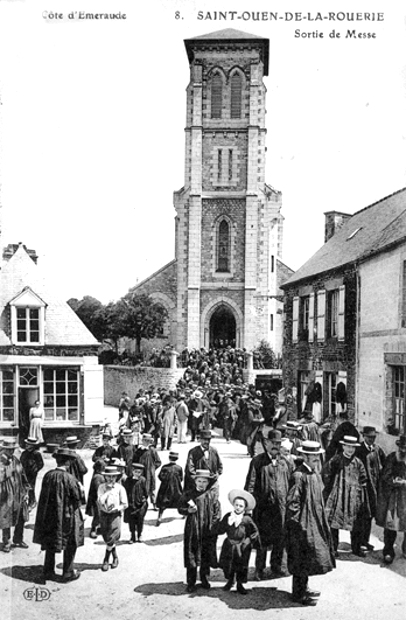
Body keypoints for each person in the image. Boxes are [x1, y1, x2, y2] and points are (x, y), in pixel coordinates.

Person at [286, 440, 336, 606]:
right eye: (313, 456)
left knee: (308, 557)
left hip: (314, 521)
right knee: (300, 557)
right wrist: (297, 526)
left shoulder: (314, 474)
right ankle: (298, 594)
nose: (316, 459)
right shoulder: (299, 475)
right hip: (302, 525)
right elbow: (293, 503)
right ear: (305, 456)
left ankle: (304, 588)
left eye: (317, 456)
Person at [245, 429, 294, 580]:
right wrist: (248, 507)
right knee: (262, 541)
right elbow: (250, 485)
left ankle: (277, 566)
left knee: (280, 538)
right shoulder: (257, 461)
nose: (275, 446)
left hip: (281, 509)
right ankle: (259, 569)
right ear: (266, 443)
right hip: (263, 509)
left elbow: (292, 485)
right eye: (272, 443)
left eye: (278, 443)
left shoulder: (285, 462)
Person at [33, 447, 84, 581]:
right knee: (71, 542)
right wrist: (81, 490)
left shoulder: (48, 475)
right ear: (67, 463)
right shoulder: (70, 478)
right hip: (67, 516)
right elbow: (77, 498)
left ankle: (48, 571)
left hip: (50, 516)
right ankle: (68, 572)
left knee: (51, 541)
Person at [322, 435, 369, 557]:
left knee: (356, 523)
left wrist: (359, 492)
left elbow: (364, 478)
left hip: (353, 497)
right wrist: (331, 487)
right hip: (338, 495)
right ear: (343, 446)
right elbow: (326, 473)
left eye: (352, 447)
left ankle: (356, 547)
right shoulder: (336, 459)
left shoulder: (358, 462)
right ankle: (333, 549)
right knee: (333, 522)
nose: (350, 449)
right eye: (348, 446)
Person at [178, 469, 221, 592]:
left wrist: (213, 525)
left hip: (207, 530)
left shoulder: (211, 495)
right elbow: (180, 508)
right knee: (192, 553)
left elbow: (217, 511)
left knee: (205, 554)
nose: (201, 484)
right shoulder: (189, 494)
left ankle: (204, 578)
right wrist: (187, 511)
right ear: (195, 481)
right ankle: (191, 582)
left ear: (208, 483)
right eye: (199, 481)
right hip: (193, 528)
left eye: (204, 481)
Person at [214, 489, 259, 594]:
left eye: (241, 506)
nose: (238, 508)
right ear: (233, 505)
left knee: (241, 565)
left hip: (241, 546)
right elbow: (221, 528)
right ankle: (230, 581)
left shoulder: (246, 519)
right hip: (229, 544)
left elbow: (255, 532)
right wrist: (216, 526)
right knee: (229, 564)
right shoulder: (228, 516)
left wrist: (247, 541)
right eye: (236, 505)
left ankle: (239, 584)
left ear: (244, 508)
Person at [354, 426, 386, 551]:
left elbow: (385, 462)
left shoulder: (377, 450)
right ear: (364, 436)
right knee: (361, 516)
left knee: (369, 516)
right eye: (369, 437)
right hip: (363, 488)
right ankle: (357, 543)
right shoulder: (359, 450)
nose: (372, 440)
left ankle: (365, 541)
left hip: (375, 489)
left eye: (374, 437)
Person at [376, 434, 406, 564]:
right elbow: (385, 477)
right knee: (391, 524)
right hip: (395, 497)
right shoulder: (392, 458)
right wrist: (396, 482)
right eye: (402, 447)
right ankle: (388, 551)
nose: (404, 450)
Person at [0, 438, 30, 552]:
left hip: (18, 493)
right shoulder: (1, 461)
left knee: (21, 517)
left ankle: (18, 539)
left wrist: (26, 490)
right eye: (8, 450)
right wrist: (7, 470)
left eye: (12, 449)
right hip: (5, 494)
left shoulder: (16, 460)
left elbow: (22, 475)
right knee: (6, 517)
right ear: (3, 449)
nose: (11, 452)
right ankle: (6, 542)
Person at [97, 465, 128, 571]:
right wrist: (108, 492)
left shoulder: (120, 488)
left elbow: (125, 504)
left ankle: (106, 559)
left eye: (113, 477)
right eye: (108, 477)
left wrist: (117, 508)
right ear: (105, 477)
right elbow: (100, 501)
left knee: (112, 537)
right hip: (104, 515)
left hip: (115, 515)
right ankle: (115, 557)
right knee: (107, 537)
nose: (111, 479)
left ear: (116, 477)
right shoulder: (101, 487)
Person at [184, 429, 223, 495]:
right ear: (200, 440)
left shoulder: (214, 451)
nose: (206, 442)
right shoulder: (193, 452)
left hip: (211, 483)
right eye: (204, 440)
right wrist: (198, 479)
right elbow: (190, 468)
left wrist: (217, 474)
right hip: (198, 484)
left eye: (208, 440)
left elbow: (220, 466)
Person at [133, 433, 161, 509]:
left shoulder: (152, 450)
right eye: (145, 440)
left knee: (152, 489)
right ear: (142, 441)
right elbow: (134, 460)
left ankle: (154, 503)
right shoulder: (139, 450)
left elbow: (158, 462)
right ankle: (141, 503)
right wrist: (137, 469)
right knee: (141, 487)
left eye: (148, 441)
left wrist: (152, 468)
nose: (146, 442)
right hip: (141, 473)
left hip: (150, 473)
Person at [156, 451, 183, 526]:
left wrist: (165, 481)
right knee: (179, 501)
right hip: (176, 488)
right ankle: (184, 514)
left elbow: (160, 476)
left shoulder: (165, 467)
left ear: (169, 458)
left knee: (163, 503)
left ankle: (159, 517)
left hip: (165, 488)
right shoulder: (179, 468)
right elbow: (181, 478)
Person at [123, 463, 148, 543]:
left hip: (140, 504)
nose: (137, 474)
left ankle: (140, 535)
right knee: (131, 521)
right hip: (130, 504)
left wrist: (143, 500)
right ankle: (132, 536)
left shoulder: (143, 480)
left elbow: (146, 492)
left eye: (139, 472)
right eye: (136, 472)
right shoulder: (128, 480)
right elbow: (125, 491)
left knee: (140, 520)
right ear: (132, 471)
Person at [20, 436, 44, 510]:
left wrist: (35, 469)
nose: (27, 446)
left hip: (32, 474)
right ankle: (23, 502)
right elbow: (20, 461)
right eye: (26, 444)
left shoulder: (36, 454)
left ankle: (32, 502)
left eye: (29, 444)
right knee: (23, 486)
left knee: (31, 488)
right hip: (24, 473)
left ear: (33, 446)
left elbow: (41, 464)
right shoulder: (24, 453)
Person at [86, 459, 106, 538]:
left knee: (101, 514)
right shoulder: (98, 477)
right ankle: (93, 529)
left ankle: (100, 528)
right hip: (97, 499)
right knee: (97, 514)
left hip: (100, 498)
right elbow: (98, 488)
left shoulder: (99, 475)